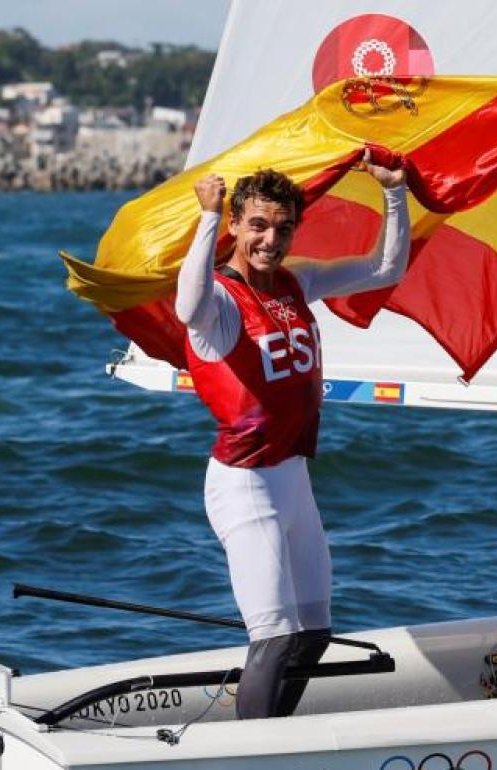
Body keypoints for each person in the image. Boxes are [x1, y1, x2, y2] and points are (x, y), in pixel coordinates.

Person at [175, 156, 410, 718]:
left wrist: (395, 195)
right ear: (235, 224)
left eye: (282, 228)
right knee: (274, 637)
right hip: (245, 485)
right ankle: (249, 753)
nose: (270, 240)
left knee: (314, 633)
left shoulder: (294, 282)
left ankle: (275, 733)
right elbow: (187, 305)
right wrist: (207, 217)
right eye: (257, 225)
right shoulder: (220, 303)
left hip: (293, 481)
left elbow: (385, 268)